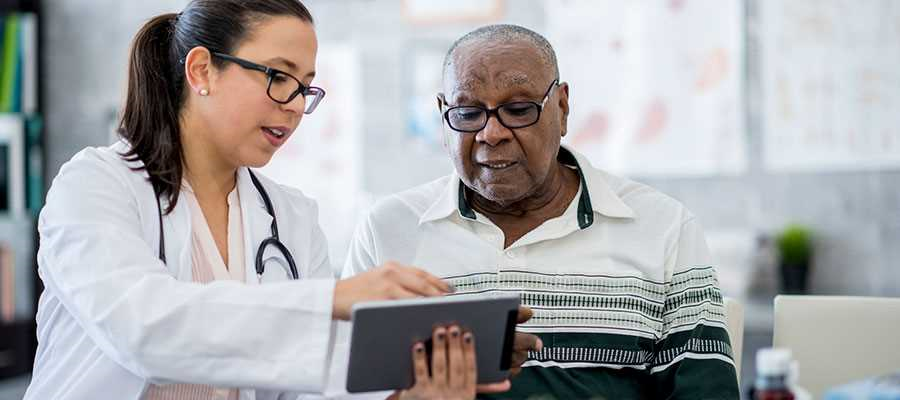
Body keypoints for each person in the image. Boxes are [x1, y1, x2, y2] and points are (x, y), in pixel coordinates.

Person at [25, 1, 494, 399]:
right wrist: (331, 298)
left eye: (305, 86)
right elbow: (143, 329)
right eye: (277, 76)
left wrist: (409, 386)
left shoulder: (291, 218)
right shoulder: (95, 185)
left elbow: (307, 382)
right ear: (202, 70)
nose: (293, 104)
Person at [343, 24, 740, 399]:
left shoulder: (663, 228)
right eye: (467, 114)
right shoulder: (388, 230)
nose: (490, 133)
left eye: (518, 109)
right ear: (442, 115)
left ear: (562, 108)